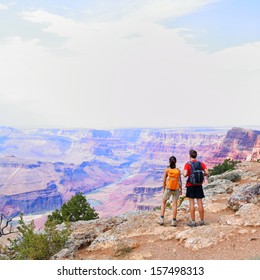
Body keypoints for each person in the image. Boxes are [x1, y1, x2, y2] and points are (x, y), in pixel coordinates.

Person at [183, 149, 209, 227]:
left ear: (190, 156)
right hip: (199, 185)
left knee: (192, 203)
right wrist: (201, 175)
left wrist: (189, 175)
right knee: (200, 203)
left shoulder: (187, 164)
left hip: (190, 185)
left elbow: (185, 174)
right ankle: (202, 221)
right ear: (196, 156)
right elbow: (207, 172)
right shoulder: (201, 163)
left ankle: (193, 222)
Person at [158, 156, 182, 227]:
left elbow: (164, 181)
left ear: (169, 162)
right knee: (174, 204)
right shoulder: (178, 170)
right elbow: (179, 180)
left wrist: (164, 189)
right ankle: (174, 221)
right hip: (176, 189)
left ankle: (161, 219)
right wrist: (180, 189)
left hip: (168, 189)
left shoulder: (167, 170)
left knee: (163, 202)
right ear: (175, 162)